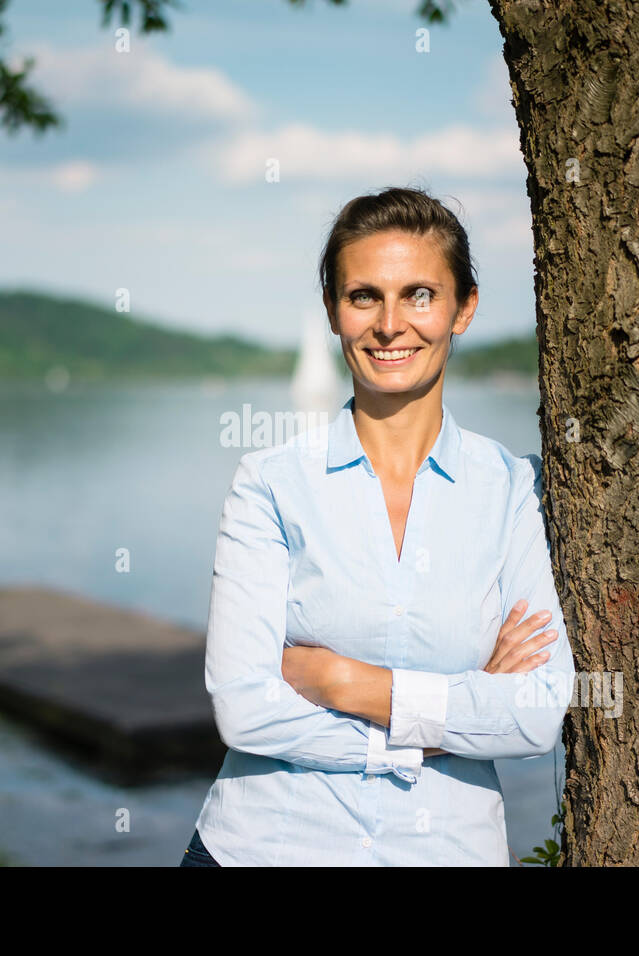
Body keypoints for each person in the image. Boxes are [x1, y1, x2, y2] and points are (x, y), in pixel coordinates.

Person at [179, 185, 575, 866]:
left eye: (419, 294)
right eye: (364, 296)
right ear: (335, 313)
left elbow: (537, 711)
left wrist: (343, 683)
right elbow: (244, 708)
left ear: (463, 308)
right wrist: (440, 719)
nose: (390, 324)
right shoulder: (270, 484)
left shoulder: (514, 490)